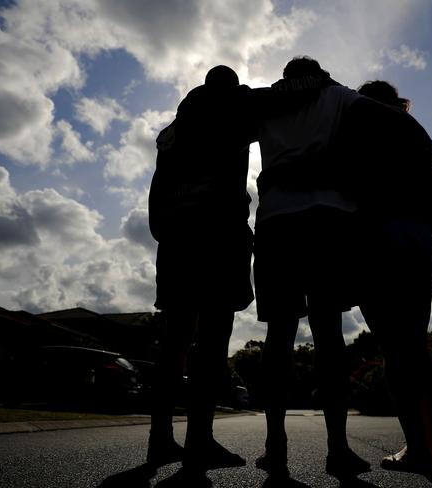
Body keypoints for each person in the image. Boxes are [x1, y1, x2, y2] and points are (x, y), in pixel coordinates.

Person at [253, 56, 370, 478]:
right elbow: (381, 120)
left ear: (286, 78)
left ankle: (275, 445)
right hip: (328, 217)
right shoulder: (337, 95)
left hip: (276, 221)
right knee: (328, 336)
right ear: (318, 72)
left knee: (279, 336)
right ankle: (337, 448)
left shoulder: (266, 104)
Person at [146, 65, 254, 471]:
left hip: (176, 239)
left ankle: (160, 440)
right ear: (230, 87)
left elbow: (157, 191)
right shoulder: (234, 109)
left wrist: (163, 230)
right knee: (211, 342)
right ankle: (200, 440)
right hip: (217, 237)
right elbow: (266, 100)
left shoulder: (171, 133)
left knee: (174, 342)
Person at [345, 79, 432, 473]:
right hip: (417, 250)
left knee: (394, 351)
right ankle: (431, 447)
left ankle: (418, 448)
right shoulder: (417, 142)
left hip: (376, 249)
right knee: (415, 349)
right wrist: (422, 237)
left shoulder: (356, 136)